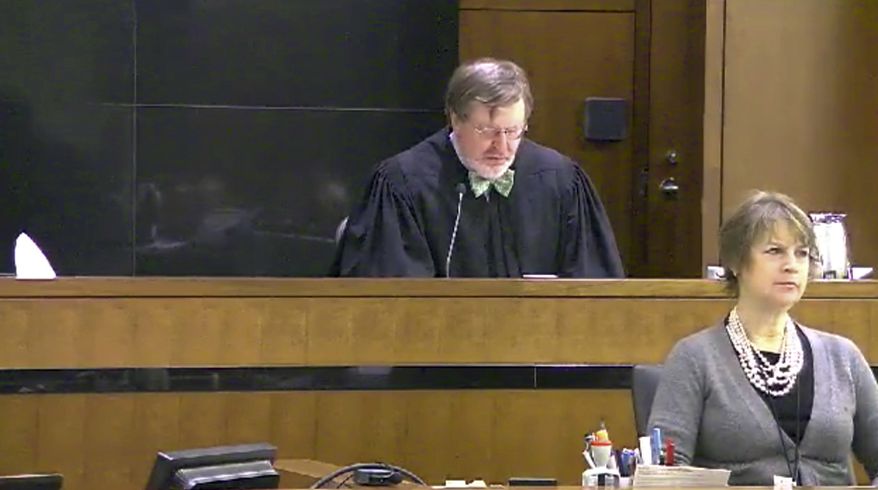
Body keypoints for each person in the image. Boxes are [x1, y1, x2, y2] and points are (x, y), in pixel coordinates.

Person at [647, 191, 878, 485]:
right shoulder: (695, 357)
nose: (791, 265)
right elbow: (666, 477)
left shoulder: (843, 357)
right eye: (774, 251)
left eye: (802, 253)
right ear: (735, 262)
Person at [330, 58, 624, 278]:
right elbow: (388, 296)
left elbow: (593, 286)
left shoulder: (561, 180)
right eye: (486, 130)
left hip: (538, 353)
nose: (502, 147)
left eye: (513, 131)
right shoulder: (402, 184)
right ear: (455, 120)